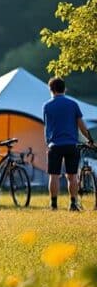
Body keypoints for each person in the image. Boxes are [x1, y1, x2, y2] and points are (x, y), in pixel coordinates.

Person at [43, 77, 94, 211]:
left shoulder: (47, 106)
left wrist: (47, 143)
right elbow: (81, 125)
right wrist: (90, 139)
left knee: (53, 175)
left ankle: (53, 205)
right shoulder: (73, 104)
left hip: (55, 145)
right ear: (64, 88)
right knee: (72, 175)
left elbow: (47, 128)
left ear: (51, 90)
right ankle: (73, 203)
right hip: (71, 145)